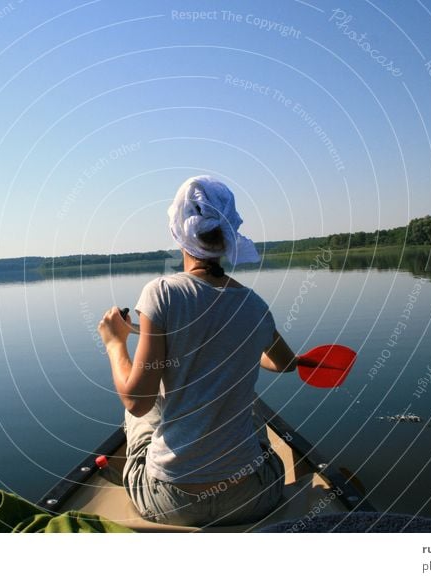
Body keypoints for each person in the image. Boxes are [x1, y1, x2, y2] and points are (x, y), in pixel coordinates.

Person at [97, 175, 299, 527]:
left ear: (178, 231)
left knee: (146, 413)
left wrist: (116, 344)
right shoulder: (254, 305)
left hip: (169, 500)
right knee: (248, 408)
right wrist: (240, 348)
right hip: (252, 497)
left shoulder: (161, 293)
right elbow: (285, 364)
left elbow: (137, 399)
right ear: (228, 235)